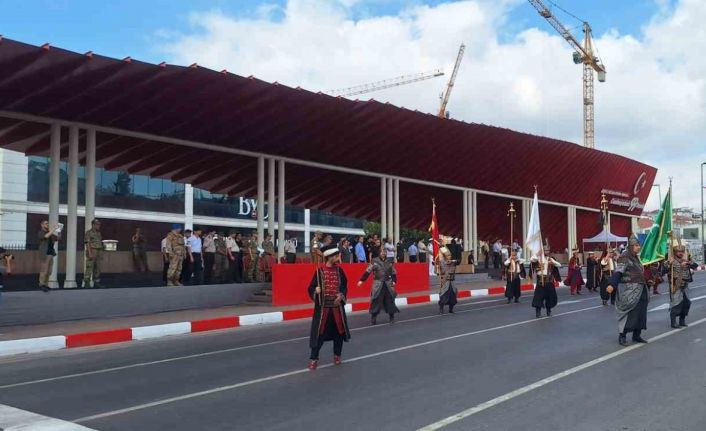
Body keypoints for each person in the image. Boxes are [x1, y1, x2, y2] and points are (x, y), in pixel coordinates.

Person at [307, 244, 351, 370]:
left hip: (337, 308)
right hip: (323, 310)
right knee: (319, 335)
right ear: (329, 257)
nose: (338, 257)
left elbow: (344, 286)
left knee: (339, 333)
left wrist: (341, 296)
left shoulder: (339, 271)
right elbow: (310, 288)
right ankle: (314, 358)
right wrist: (315, 290)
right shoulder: (319, 272)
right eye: (336, 256)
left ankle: (337, 355)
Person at [607, 235, 649, 346]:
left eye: (638, 245)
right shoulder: (624, 256)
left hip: (640, 290)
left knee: (640, 314)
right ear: (630, 246)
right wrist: (612, 284)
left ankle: (637, 335)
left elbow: (638, 272)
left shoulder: (636, 258)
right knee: (629, 314)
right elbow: (618, 272)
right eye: (635, 245)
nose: (638, 247)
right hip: (629, 291)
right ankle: (622, 336)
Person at [358, 244, 399, 325]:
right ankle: (374, 317)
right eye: (382, 251)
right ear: (379, 253)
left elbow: (393, 272)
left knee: (390, 300)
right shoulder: (374, 261)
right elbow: (368, 271)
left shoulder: (389, 261)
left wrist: (394, 280)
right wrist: (362, 280)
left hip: (388, 284)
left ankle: (392, 317)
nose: (383, 253)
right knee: (376, 300)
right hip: (378, 284)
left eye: (385, 251)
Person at [664, 242, 699, 328]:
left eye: (682, 251)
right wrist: (669, 263)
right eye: (678, 251)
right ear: (675, 252)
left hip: (685, 284)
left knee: (686, 303)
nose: (680, 253)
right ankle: (673, 322)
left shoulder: (685, 260)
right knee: (676, 303)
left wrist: (689, 263)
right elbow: (663, 270)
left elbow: (695, 265)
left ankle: (682, 320)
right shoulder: (671, 261)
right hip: (675, 284)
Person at [529, 251, 561, 318]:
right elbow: (531, 259)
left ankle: (548, 311)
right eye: (545, 251)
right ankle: (538, 312)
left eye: (547, 251)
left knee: (549, 297)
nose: (546, 252)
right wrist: (537, 254)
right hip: (540, 281)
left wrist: (553, 262)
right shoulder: (538, 258)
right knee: (538, 297)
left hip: (549, 281)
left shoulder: (550, 259)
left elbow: (559, 265)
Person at [38, 220, 60, 292]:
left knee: (49, 271)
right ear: (42, 225)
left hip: (51, 253)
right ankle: (41, 284)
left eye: (48, 223)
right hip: (44, 254)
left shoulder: (50, 233)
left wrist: (59, 230)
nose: (47, 225)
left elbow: (58, 238)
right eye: (46, 223)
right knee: (44, 270)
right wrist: (54, 229)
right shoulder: (41, 232)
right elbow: (46, 237)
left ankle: (46, 284)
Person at [83, 219, 104, 289]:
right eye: (97, 224)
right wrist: (90, 253)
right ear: (93, 225)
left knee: (98, 268)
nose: (99, 226)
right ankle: (87, 283)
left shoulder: (99, 233)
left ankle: (97, 283)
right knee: (89, 267)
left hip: (99, 251)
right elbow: (87, 243)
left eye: (99, 225)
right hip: (92, 250)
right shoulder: (88, 232)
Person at [437, 246, 458, 314]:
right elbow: (438, 271)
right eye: (448, 255)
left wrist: (452, 261)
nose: (449, 256)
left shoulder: (452, 262)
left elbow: (457, 261)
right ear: (445, 256)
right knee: (443, 296)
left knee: (453, 297)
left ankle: (451, 309)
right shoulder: (442, 263)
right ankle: (441, 309)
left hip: (452, 282)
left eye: (450, 255)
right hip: (445, 282)